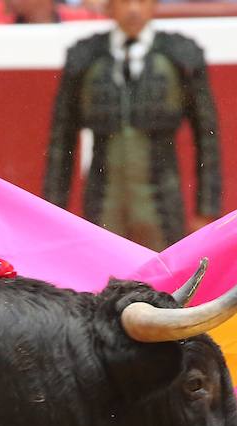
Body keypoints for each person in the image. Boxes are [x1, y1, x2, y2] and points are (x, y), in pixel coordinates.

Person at [42, 0, 221, 250]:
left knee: (165, 280)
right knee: (103, 275)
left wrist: (207, 209)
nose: (134, 9)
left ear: (154, 4)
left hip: (162, 205)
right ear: (109, 6)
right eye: (125, 1)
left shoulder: (181, 55)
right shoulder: (84, 57)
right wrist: (52, 211)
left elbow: (207, 136)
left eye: (142, 0)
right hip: (103, 202)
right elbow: (62, 139)